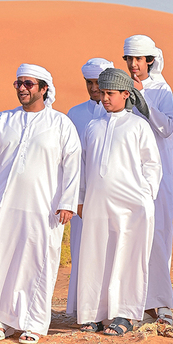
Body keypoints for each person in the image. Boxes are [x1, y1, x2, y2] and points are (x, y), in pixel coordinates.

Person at [0, 64, 81, 344]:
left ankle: (33, 323)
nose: (22, 88)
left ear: (44, 88)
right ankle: (0, 320)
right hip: (4, 206)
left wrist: (68, 201)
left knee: (36, 263)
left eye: (28, 84)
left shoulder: (60, 123)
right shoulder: (4, 119)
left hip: (44, 208)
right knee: (0, 260)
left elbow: (73, 163)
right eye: (18, 83)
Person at [76, 68, 162, 336]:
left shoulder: (138, 125)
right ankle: (94, 315)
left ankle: (125, 315)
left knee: (127, 257)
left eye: (110, 93)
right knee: (95, 257)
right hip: (96, 205)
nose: (104, 98)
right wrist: (80, 198)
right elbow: (83, 166)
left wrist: (145, 196)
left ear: (126, 94)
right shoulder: (93, 126)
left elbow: (152, 165)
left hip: (131, 207)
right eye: (102, 92)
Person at [123, 35, 173, 324]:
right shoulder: (122, 88)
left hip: (158, 176)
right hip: (129, 176)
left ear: (150, 61)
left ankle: (163, 304)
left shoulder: (161, 89)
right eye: (129, 59)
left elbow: (167, 127)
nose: (133, 65)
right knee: (133, 238)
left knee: (158, 237)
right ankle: (138, 303)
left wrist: (143, 100)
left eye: (138, 59)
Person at [65, 57, 114, 318]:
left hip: (111, 196)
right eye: (89, 82)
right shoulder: (75, 114)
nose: (94, 88)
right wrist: (76, 197)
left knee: (108, 251)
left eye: (98, 82)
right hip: (81, 197)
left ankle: (108, 309)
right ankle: (81, 308)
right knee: (81, 250)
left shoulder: (119, 114)